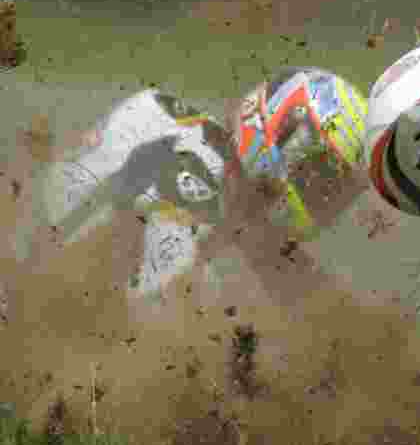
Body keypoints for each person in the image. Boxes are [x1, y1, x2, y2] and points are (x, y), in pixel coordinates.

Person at [39, 66, 380, 306]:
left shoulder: (226, 184)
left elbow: (306, 294)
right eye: (324, 182)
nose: (328, 202)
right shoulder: (185, 166)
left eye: (338, 194)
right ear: (285, 142)